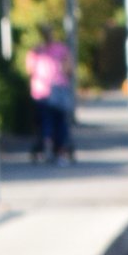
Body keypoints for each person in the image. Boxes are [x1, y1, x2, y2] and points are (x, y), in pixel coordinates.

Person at [23, 34, 73, 164]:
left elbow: (29, 70)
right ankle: (60, 149)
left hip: (41, 91)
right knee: (60, 122)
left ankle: (47, 146)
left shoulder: (36, 51)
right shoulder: (61, 49)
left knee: (45, 121)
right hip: (58, 89)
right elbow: (68, 68)